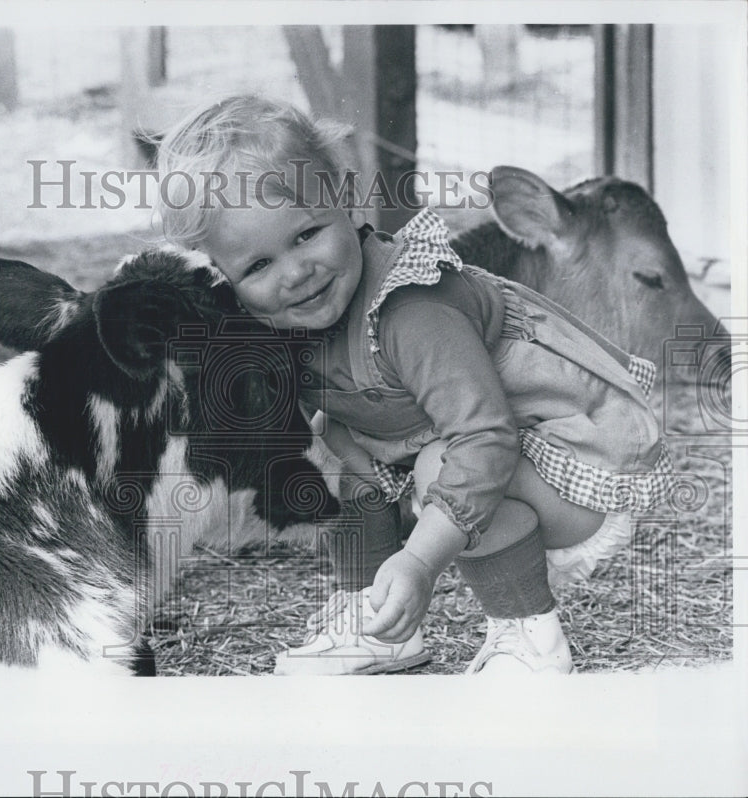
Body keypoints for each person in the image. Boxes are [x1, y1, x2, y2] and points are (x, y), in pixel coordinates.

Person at [153, 94, 675, 674]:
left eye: (306, 235)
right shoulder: (301, 316)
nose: (295, 273)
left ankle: (530, 636)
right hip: (474, 453)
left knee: (436, 468)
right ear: (224, 276)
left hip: (575, 477)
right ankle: (378, 624)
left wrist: (420, 563)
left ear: (348, 201)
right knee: (338, 451)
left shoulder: (411, 311)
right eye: (257, 266)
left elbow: (485, 439)